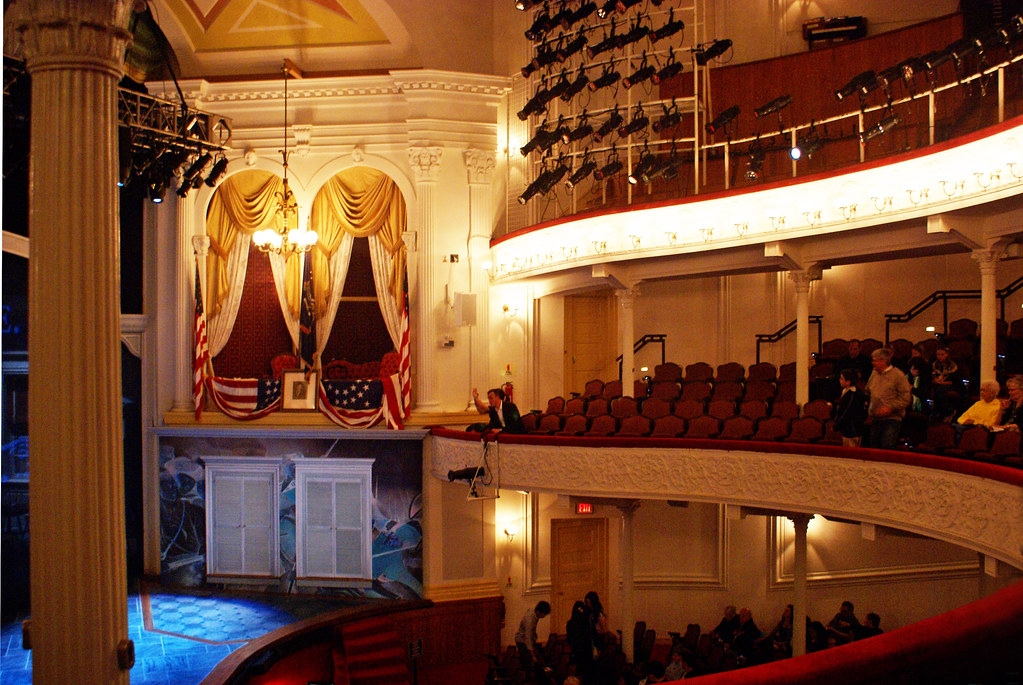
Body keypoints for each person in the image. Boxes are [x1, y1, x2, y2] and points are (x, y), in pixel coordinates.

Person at [865, 348, 912, 449]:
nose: (872, 363)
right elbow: (868, 390)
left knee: (887, 446)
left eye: (875, 360)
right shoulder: (874, 374)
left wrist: (890, 408)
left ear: (884, 361)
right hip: (875, 418)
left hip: (892, 419)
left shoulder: (898, 375)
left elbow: (905, 398)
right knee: (874, 446)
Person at [834, 369, 868, 447]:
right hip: (847, 429)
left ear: (848, 381)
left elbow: (847, 413)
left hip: (852, 430)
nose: (840, 380)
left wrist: (836, 426)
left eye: (842, 378)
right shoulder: (847, 392)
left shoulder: (853, 395)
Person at [515, 600, 551, 672]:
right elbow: (527, 638)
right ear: (540, 612)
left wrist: (534, 634)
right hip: (522, 641)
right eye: (544, 614)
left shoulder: (533, 613)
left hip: (525, 639)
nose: (544, 616)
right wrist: (532, 655)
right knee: (527, 661)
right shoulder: (530, 620)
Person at [566, 600, 594, 683]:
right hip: (587, 652)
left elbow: (570, 639)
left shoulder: (571, 624)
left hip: (576, 652)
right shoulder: (587, 623)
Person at [931, 346, 959, 419]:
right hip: (938, 384)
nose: (940, 357)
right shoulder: (935, 364)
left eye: (942, 354)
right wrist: (935, 380)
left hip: (949, 384)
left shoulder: (952, 366)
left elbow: (954, 380)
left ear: (946, 354)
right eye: (938, 354)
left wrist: (943, 383)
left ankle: (949, 411)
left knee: (939, 391)